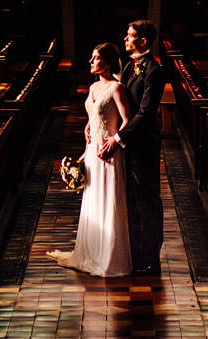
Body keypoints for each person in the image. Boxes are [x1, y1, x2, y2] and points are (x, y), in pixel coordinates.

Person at [47, 42, 132, 277]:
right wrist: (87, 129)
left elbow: (127, 120)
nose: (91, 62)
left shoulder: (117, 88)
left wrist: (114, 141)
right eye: (92, 58)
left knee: (109, 202)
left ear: (107, 63)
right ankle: (91, 252)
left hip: (109, 152)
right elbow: (95, 115)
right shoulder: (93, 87)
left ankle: (109, 258)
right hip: (93, 149)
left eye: (95, 58)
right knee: (93, 202)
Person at [104, 19, 165, 275]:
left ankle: (151, 256)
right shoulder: (130, 66)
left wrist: (117, 137)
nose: (126, 39)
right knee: (130, 199)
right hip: (128, 145)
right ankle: (136, 253)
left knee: (146, 200)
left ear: (143, 41)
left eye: (130, 36)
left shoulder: (153, 70)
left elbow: (145, 112)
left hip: (143, 146)